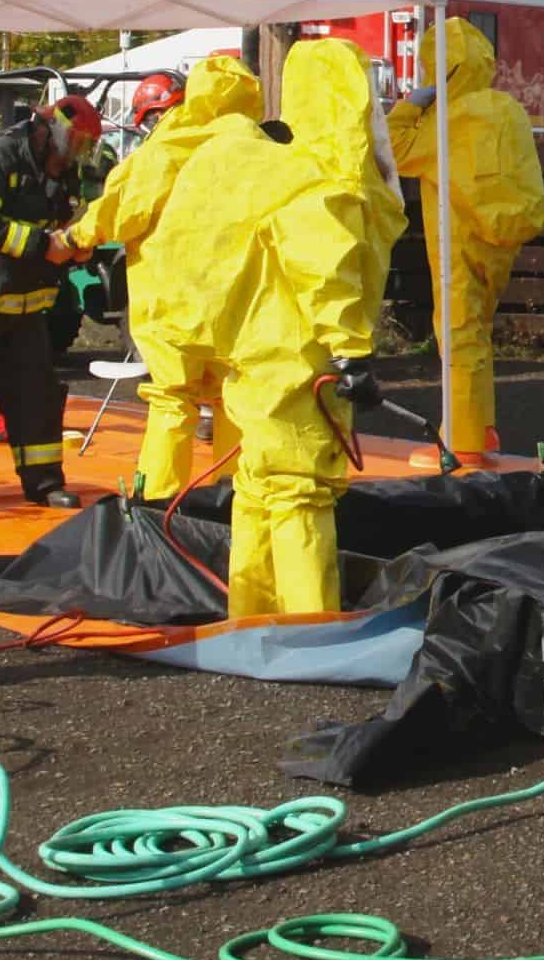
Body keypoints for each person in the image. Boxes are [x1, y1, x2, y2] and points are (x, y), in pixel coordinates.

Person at [141, 39, 408, 616]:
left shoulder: (258, 169)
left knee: (259, 488)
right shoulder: (315, 181)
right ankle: (309, 627)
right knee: (300, 494)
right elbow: (326, 271)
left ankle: (253, 615)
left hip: (252, 357)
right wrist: (352, 353)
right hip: (298, 360)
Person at [60, 56, 264, 499]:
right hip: (238, 298)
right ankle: (239, 497)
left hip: (175, 298)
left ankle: (157, 500)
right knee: (234, 395)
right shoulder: (258, 144)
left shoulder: (171, 145)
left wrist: (76, 235)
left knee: (173, 397)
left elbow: (125, 208)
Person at [386, 18, 544, 461]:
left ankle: (462, 441)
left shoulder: (443, 121)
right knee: (478, 331)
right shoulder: (507, 110)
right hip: (501, 238)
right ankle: (482, 427)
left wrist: (412, 104)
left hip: (456, 237)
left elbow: (392, 149)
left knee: (459, 335)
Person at [0, 95, 103, 512]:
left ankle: (45, 483)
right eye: (77, 143)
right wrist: (40, 246)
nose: (78, 155)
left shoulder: (65, 176)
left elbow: (64, 223)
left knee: (37, 398)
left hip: (26, 309)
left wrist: (78, 243)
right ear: (49, 130)